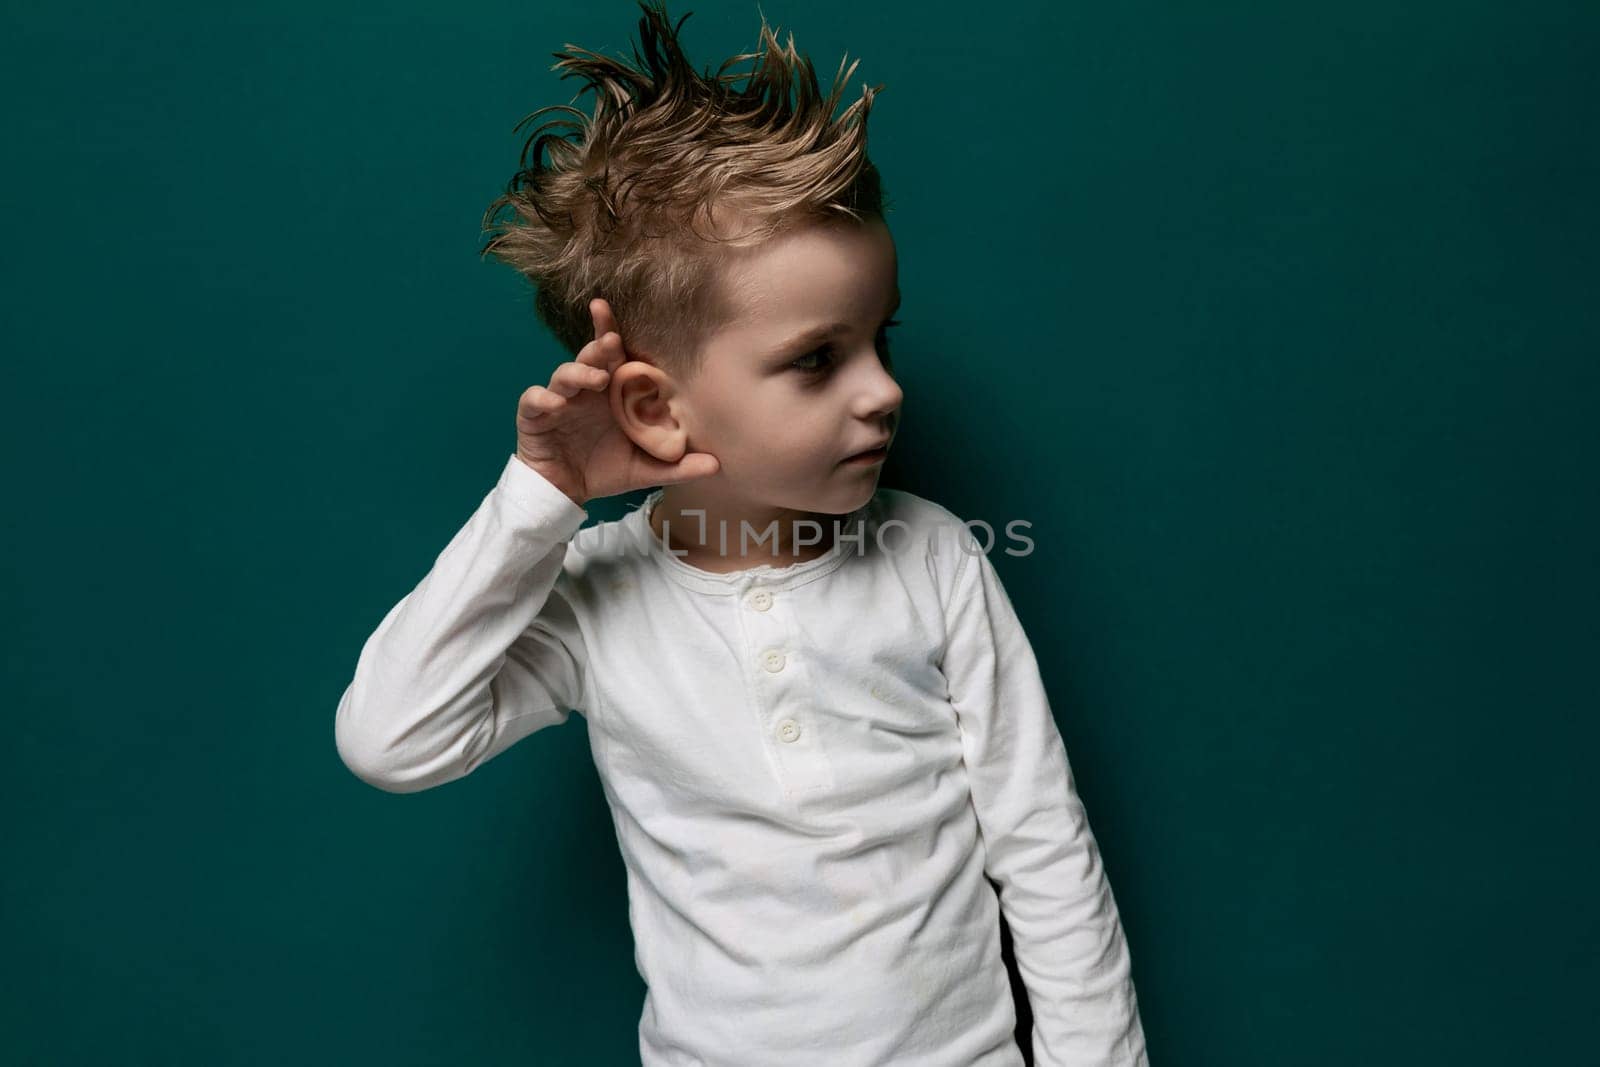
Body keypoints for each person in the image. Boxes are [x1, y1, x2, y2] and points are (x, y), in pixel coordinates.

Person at [333, 2, 1148, 1063]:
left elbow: (1045, 849)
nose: (882, 391)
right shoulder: (596, 596)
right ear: (659, 408)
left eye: (879, 339)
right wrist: (541, 497)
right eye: (818, 359)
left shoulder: (935, 554)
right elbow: (390, 738)